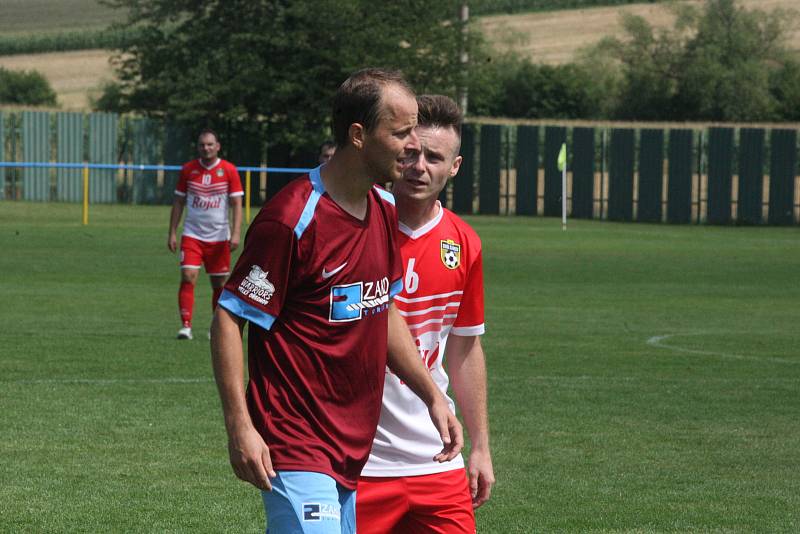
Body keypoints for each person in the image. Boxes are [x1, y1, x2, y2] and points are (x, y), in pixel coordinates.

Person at [210, 69, 463, 534]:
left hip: (351, 447)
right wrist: (240, 427)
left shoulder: (384, 209)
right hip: (295, 439)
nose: (412, 145)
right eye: (401, 131)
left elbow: (383, 310)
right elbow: (229, 318)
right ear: (359, 136)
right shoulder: (292, 219)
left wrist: (433, 396)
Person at [357, 95, 494, 533]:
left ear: (453, 167)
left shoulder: (464, 242)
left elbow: (465, 348)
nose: (419, 166)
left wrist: (481, 446)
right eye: (411, 153)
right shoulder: (354, 222)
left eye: (434, 157)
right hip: (357, 461)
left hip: (436, 458)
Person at [167, 129, 243, 340]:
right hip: (192, 234)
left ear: (217, 146)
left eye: (210, 144)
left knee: (219, 284)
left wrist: (235, 233)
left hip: (219, 237)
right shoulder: (188, 170)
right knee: (188, 276)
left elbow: (237, 204)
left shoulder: (228, 170)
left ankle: (215, 327)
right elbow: (179, 201)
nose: (206, 148)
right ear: (198, 147)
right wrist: (172, 232)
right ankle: (186, 326)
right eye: (202, 144)